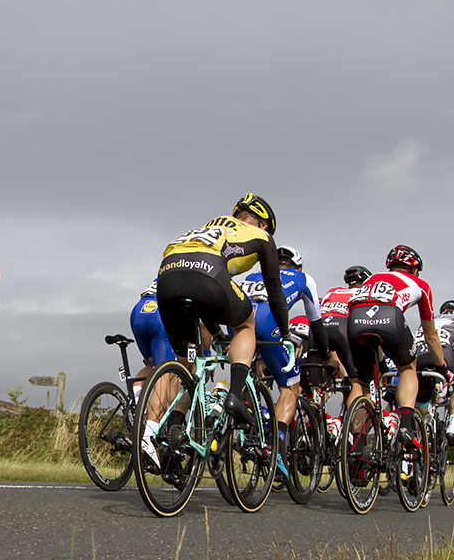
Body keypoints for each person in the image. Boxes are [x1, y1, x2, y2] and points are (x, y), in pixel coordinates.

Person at [153, 193, 291, 475]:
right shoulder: (260, 236)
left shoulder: (207, 227)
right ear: (264, 225)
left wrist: (216, 334)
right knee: (246, 324)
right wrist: (285, 332)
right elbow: (274, 291)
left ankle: (174, 433)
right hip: (208, 272)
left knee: (188, 368)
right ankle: (236, 395)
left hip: (166, 276)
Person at [235, 245, 339, 476]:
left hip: (239, 320)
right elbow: (317, 325)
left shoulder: (253, 275)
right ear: (298, 266)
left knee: (247, 370)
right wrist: (325, 356)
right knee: (291, 387)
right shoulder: (304, 278)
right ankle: (277, 444)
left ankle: (250, 411)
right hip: (269, 322)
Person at [347, 245, 449, 447]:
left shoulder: (372, 278)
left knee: (361, 384)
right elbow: (430, 335)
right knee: (407, 368)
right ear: (415, 269)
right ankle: (405, 426)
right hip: (389, 316)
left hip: (354, 320)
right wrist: (442, 367)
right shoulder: (421, 284)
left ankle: (356, 449)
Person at [414, 300, 454, 448]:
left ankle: (420, 438)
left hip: (419, 354)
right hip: (443, 351)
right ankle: (452, 426)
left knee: (421, 403)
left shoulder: (431, 318)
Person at [320, 265, 372, 406]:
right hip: (341, 330)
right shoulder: (363, 294)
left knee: (313, 387)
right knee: (358, 384)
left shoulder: (333, 291)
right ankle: (350, 425)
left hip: (318, 331)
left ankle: (311, 415)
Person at [129, 279, 176, 402]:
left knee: (150, 365)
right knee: (163, 373)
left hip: (138, 311)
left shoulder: (167, 269)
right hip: (159, 315)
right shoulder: (194, 273)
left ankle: (135, 403)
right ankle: (151, 421)